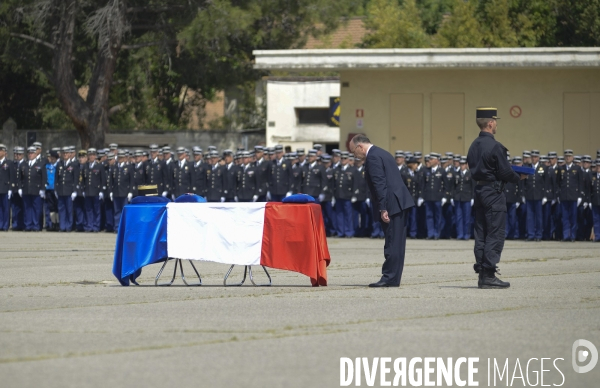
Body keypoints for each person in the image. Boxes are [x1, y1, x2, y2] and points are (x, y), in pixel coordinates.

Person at [467, 107, 524, 289]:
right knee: (495, 233)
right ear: (490, 123)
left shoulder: (473, 145)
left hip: (480, 191)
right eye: (496, 121)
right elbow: (505, 171)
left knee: (481, 232)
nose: (496, 124)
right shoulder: (495, 146)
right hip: (493, 193)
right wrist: (519, 177)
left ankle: (483, 273)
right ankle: (489, 273)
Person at [349, 134, 415, 288]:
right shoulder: (382, 152)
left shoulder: (372, 157)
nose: (354, 155)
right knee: (397, 242)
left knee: (392, 241)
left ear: (360, 147)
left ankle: (389, 277)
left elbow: (380, 184)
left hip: (391, 203)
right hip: (399, 201)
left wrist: (383, 207)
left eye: (354, 152)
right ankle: (393, 278)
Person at [19, 146, 47, 231]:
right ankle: (28, 225)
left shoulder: (40, 164)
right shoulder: (23, 164)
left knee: (36, 209)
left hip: (36, 190)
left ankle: (36, 225)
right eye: (29, 153)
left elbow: (43, 178)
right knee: (27, 208)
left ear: (35, 154)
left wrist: (42, 189)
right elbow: (20, 178)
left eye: (32, 153)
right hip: (26, 189)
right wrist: (20, 188)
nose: (30, 155)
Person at [0, 144, 13, 231]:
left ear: (4, 152)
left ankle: (5, 225)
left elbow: (11, 176)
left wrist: (10, 189)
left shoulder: (9, 163)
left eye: (1, 150)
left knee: (5, 208)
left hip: (5, 188)